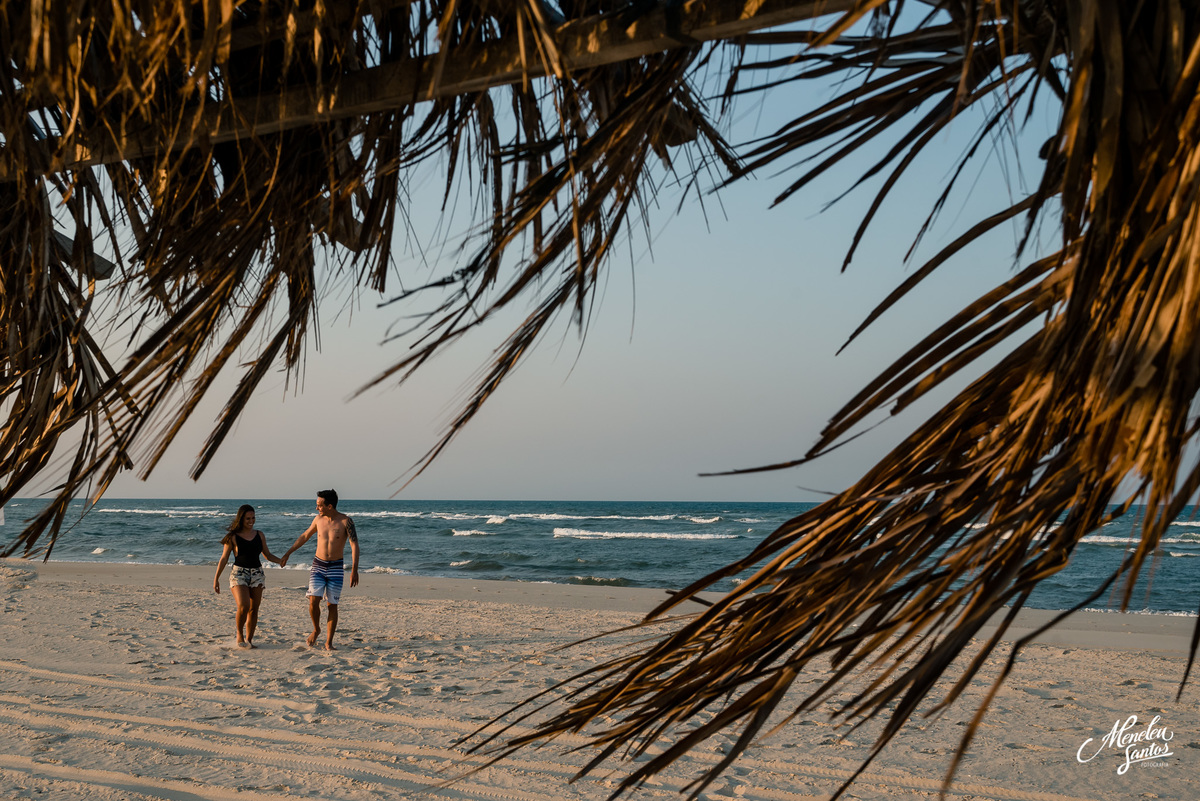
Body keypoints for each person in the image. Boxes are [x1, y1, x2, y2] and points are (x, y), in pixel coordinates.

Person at [280, 489, 360, 650]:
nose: (317, 508)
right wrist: (288, 553)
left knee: (332, 605)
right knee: (313, 600)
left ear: (329, 506)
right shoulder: (318, 519)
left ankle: (329, 642)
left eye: (319, 505)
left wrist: (354, 569)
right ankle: (316, 629)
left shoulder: (346, 521)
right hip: (318, 565)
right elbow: (305, 536)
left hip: (336, 567)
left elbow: (354, 545)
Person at [213, 504, 282, 648]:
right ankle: (239, 634)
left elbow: (267, 555)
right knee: (244, 605)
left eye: (253, 518)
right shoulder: (232, 537)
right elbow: (224, 558)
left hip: (257, 573)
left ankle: (249, 640)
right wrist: (216, 579)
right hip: (239, 573)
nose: (251, 521)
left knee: (254, 609)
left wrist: (281, 560)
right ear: (241, 519)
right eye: (248, 518)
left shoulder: (259, 535)